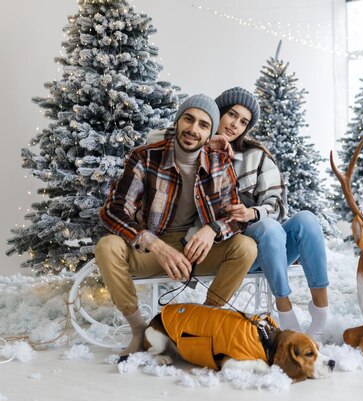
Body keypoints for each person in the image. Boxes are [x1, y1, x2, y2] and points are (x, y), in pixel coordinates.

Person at [95, 94, 257, 357]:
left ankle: (205, 323)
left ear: (210, 133)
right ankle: (140, 330)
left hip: (195, 249)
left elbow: (234, 217)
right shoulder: (145, 157)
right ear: (178, 121)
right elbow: (113, 211)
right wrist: (154, 243)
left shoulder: (220, 162)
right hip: (152, 249)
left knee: (246, 247)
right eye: (189, 119)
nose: (194, 129)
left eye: (204, 125)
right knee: (107, 246)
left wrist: (211, 230)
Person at [215, 87, 329, 340]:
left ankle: (320, 310)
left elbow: (276, 206)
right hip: (233, 251)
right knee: (269, 228)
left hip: (270, 246)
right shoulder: (196, 147)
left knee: (306, 220)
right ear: (218, 112)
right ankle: (285, 310)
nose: (235, 125)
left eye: (243, 121)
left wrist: (251, 212)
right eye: (231, 115)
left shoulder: (256, 155)